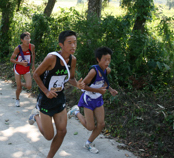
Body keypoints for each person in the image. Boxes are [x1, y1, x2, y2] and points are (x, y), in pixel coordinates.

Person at [28, 30, 84, 158]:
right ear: (61, 44)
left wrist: (78, 85)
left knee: (62, 131)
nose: (73, 46)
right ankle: (35, 115)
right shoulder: (51, 58)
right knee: (49, 136)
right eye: (69, 43)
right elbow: (36, 74)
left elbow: (71, 78)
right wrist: (46, 91)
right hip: (46, 99)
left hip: (59, 98)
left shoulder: (72, 60)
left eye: (75, 43)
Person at [67, 47, 118, 154]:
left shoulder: (107, 70)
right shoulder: (93, 71)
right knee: (90, 127)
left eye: (109, 59)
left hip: (98, 99)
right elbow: (82, 86)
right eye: (105, 59)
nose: (107, 62)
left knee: (101, 124)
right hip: (88, 100)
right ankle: (75, 112)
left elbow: (104, 83)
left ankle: (88, 143)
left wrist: (111, 89)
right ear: (98, 59)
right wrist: (98, 90)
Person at [10, 32, 35, 107]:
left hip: (26, 69)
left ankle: (19, 83)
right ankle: (17, 99)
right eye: (26, 38)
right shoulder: (18, 48)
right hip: (18, 68)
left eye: (29, 38)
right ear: (22, 40)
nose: (28, 40)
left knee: (29, 86)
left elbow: (33, 54)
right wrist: (21, 63)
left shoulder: (32, 46)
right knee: (19, 88)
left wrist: (33, 65)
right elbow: (11, 59)